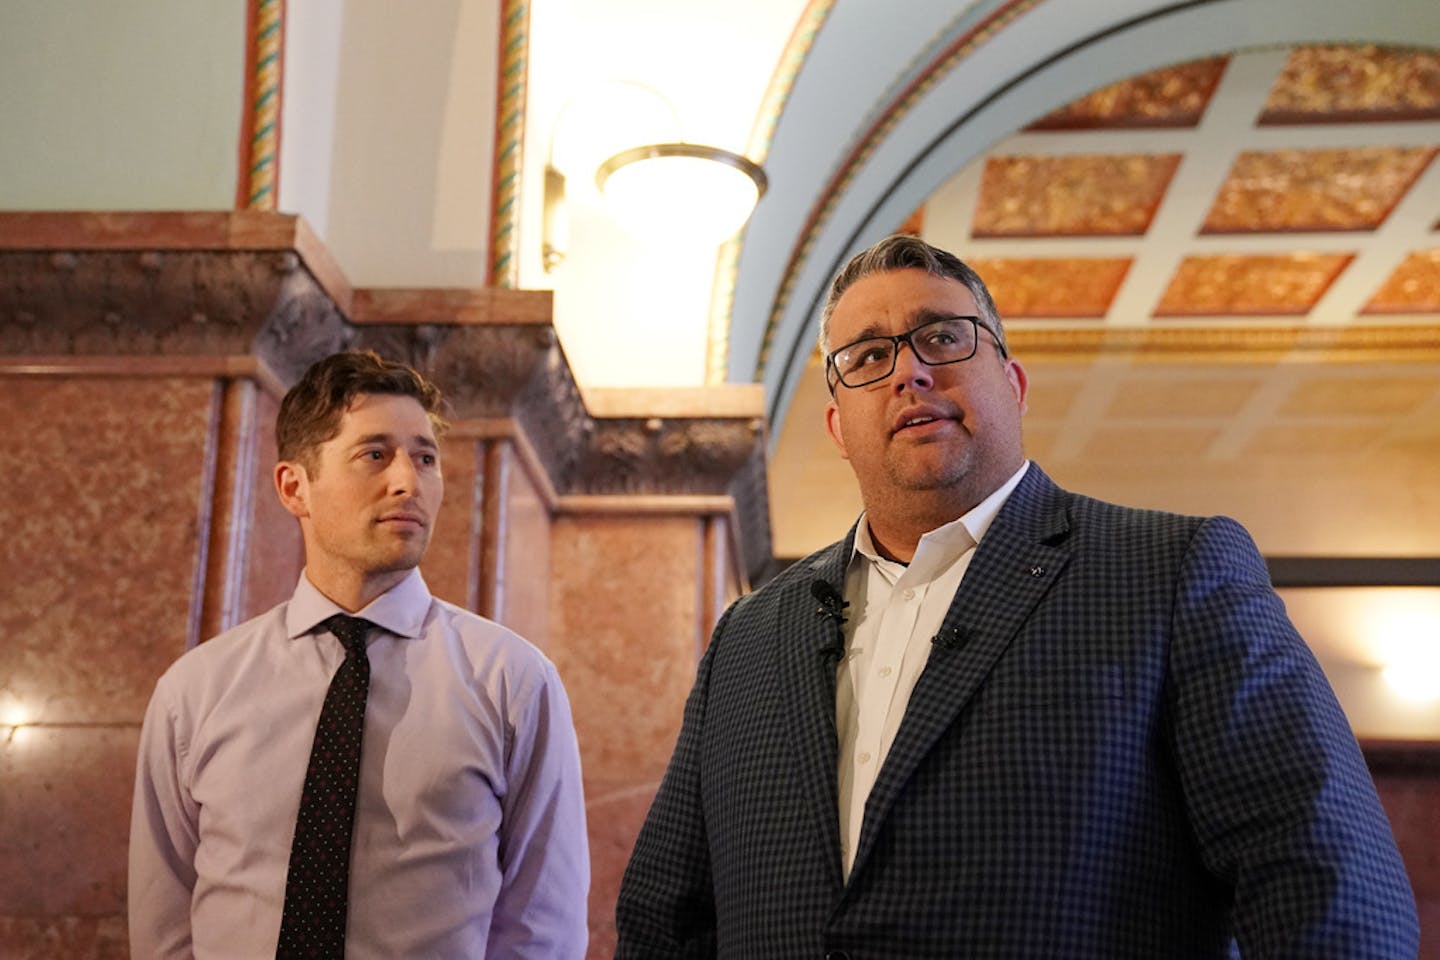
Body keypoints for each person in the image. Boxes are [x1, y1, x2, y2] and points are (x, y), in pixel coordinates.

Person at [615, 235, 1418, 957]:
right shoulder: (750, 634)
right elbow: (666, 919)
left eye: (941, 336)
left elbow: (1326, 883)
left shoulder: (1171, 571)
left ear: (1013, 380)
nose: (909, 371)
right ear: (837, 425)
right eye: (866, 357)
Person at [130, 350, 589, 958]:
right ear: (296, 487)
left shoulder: (511, 681)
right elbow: (164, 924)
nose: (408, 481)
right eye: (375, 454)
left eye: (425, 458)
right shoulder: (197, 691)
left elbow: (542, 925)